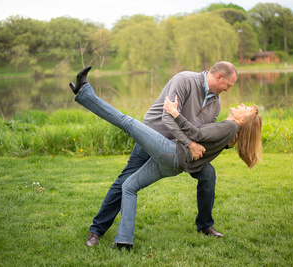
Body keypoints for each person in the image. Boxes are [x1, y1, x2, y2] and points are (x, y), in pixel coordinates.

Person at [69, 66, 263, 249]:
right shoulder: (185, 80)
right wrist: (190, 144)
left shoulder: (217, 103)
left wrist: (227, 142)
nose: (228, 90)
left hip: (178, 151)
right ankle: (96, 231)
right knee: (125, 182)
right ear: (219, 76)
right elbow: (168, 117)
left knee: (208, 174)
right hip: (155, 136)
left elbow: (208, 134)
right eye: (228, 85)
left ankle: (205, 225)